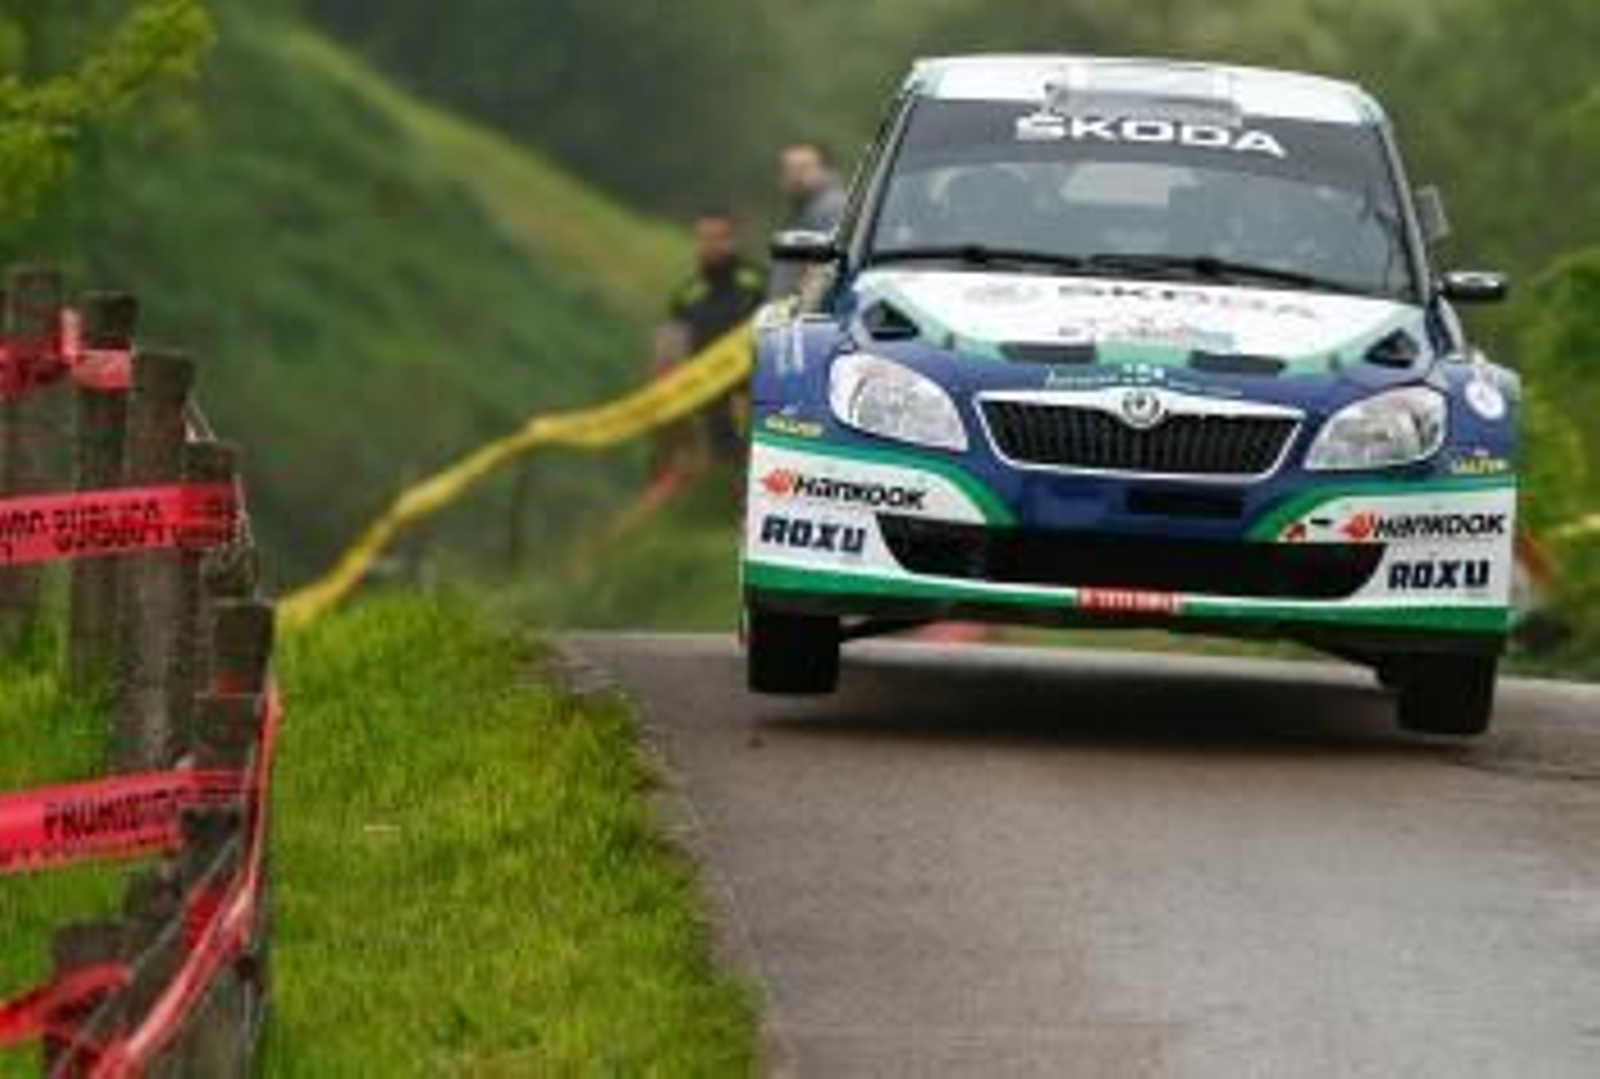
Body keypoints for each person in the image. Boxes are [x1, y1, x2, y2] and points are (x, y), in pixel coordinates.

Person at [658, 210, 766, 467]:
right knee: (718, 462)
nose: (712, 245)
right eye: (704, 238)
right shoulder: (686, 295)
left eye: (719, 237)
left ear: (734, 240)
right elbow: (668, 351)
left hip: (753, 391)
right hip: (706, 394)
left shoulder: (758, 282)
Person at [769, 142, 848, 297]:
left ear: (827, 170)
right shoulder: (802, 210)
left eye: (804, 168)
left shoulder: (831, 207)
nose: (796, 176)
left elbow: (824, 270)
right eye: (789, 170)